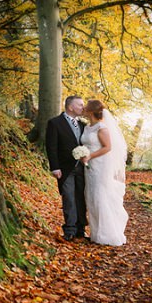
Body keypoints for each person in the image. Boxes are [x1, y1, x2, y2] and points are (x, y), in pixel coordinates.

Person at [80, 100, 128, 246]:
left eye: (86, 107)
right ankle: (96, 233)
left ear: (91, 111)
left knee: (100, 197)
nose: (83, 109)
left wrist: (90, 156)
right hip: (89, 166)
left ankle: (108, 234)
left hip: (100, 165)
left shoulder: (102, 128)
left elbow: (107, 147)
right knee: (91, 197)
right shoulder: (88, 126)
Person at [45, 96, 87, 241]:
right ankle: (70, 230)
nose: (83, 107)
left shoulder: (83, 125)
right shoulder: (55, 123)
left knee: (81, 198)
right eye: (80, 105)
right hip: (65, 168)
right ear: (70, 107)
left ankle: (81, 229)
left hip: (82, 168)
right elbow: (51, 147)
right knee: (69, 198)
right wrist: (55, 167)